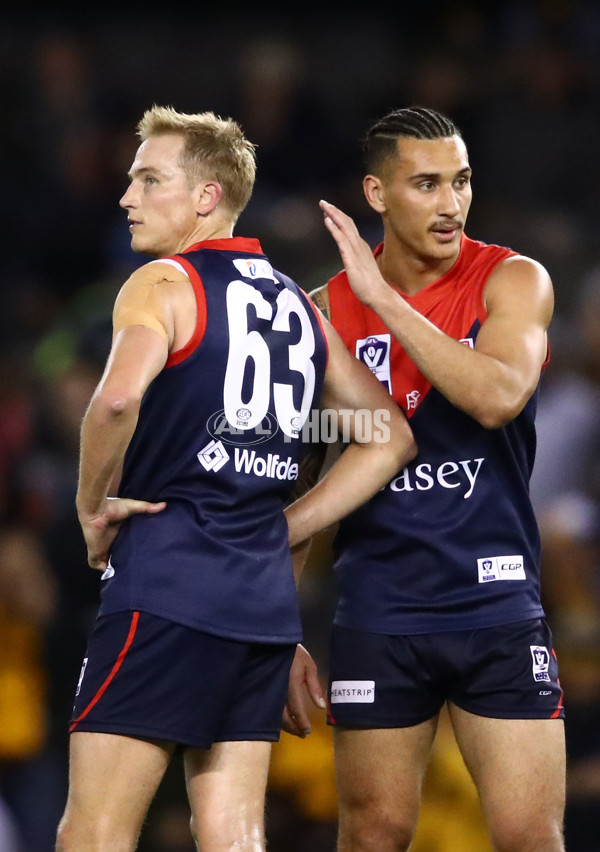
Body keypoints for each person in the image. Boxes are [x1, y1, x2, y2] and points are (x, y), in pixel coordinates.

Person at [54, 105, 416, 852]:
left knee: (93, 830)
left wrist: (91, 506)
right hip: (262, 606)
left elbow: (116, 398)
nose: (127, 197)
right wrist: (285, 525)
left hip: (166, 582)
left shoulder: (161, 282)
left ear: (206, 199)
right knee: (233, 832)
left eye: (149, 180)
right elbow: (387, 435)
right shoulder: (297, 305)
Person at [288, 106, 565, 852]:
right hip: (379, 611)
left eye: (462, 181)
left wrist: (383, 303)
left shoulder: (511, 279)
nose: (451, 204)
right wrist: (279, 625)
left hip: (496, 599)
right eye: (427, 184)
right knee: (373, 835)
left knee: (528, 837)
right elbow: (305, 477)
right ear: (377, 195)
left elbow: (497, 395)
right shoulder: (323, 314)